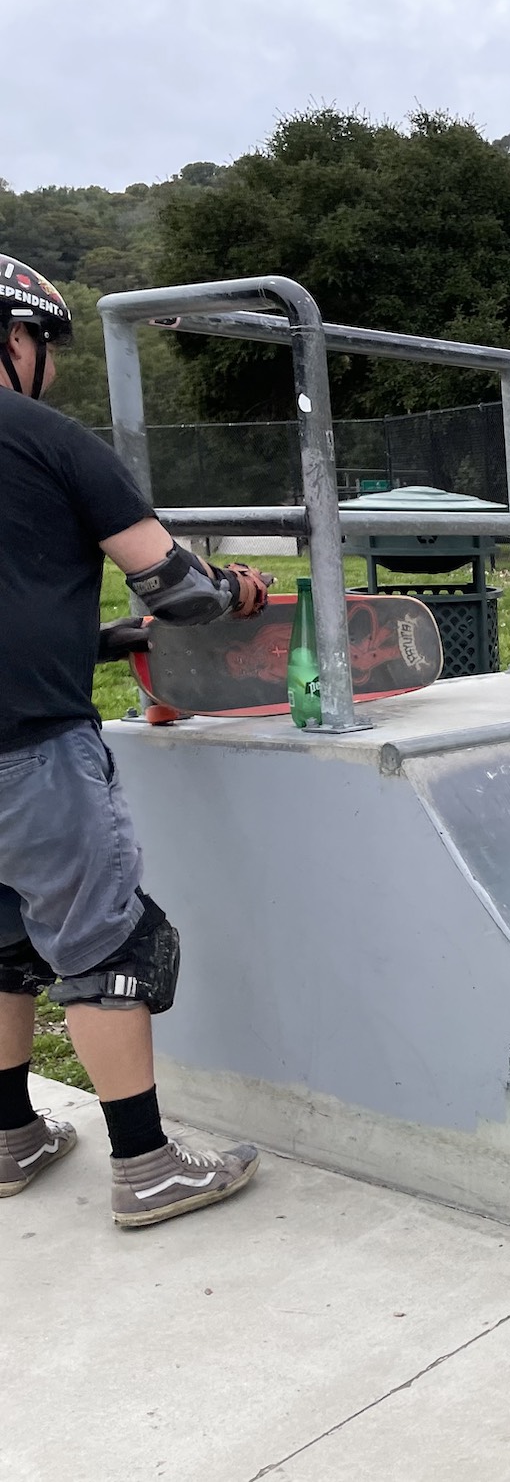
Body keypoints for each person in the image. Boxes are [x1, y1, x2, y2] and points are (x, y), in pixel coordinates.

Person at [0, 255, 270, 1226]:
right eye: (46, 348)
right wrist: (234, 591)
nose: (52, 370)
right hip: (28, 751)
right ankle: (147, 1165)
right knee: (108, 943)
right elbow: (177, 585)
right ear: (16, 338)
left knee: (2, 948)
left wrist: (105, 640)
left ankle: (11, 1138)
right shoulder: (50, 442)